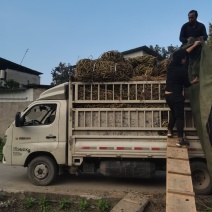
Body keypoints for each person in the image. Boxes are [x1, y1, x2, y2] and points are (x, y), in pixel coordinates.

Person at [165, 41, 201, 147]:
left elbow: (181, 52)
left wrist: (194, 45)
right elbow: (186, 85)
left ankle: (169, 131)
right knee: (180, 117)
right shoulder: (182, 70)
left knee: (173, 113)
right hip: (176, 96)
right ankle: (180, 139)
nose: (185, 59)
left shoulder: (170, 66)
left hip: (168, 95)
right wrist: (194, 81)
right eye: (184, 58)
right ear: (182, 60)